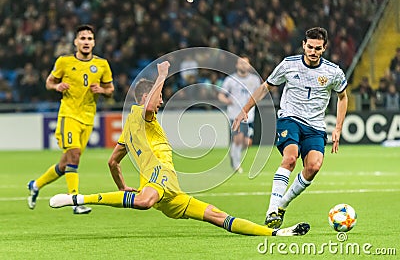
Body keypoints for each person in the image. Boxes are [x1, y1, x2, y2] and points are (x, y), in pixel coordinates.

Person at [49, 61, 310, 237]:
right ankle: (77, 199)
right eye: (160, 95)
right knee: (143, 201)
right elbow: (150, 106)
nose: (162, 100)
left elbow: (112, 163)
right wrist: (161, 75)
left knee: (217, 216)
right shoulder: (142, 112)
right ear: (146, 96)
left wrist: (121, 187)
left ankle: (276, 233)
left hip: (171, 193)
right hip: (159, 178)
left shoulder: (129, 129)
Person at [233, 27, 348, 229]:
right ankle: (271, 210)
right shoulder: (289, 64)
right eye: (310, 47)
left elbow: (343, 97)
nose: (313, 52)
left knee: (313, 167)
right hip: (290, 118)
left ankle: (282, 205)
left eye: (317, 48)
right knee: (291, 157)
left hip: (315, 126)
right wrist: (245, 109)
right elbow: (265, 87)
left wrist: (338, 127)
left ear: (324, 48)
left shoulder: (333, 72)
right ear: (304, 45)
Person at [27, 24, 115, 214]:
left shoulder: (102, 64)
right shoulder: (64, 62)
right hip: (68, 115)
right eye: (82, 38)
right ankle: (75, 201)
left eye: (89, 39)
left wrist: (102, 90)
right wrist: (56, 87)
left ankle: (36, 185)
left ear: (94, 43)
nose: (86, 42)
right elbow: (49, 82)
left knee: (66, 163)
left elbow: (110, 90)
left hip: (88, 118)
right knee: (74, 154)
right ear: (75, 42)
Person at [218, 56, 261, 173]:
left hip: (249, 115)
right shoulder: (230, 80)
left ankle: (233, 152)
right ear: (237, 65)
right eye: (241, 63)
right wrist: (227, 101)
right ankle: (236, 165)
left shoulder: (254, 80)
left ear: (249, 66)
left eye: (245, 63)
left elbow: (259, 93)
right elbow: (221, 95)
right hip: (235, 115)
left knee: (247, 143)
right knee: (238, 139)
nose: (243, 65)